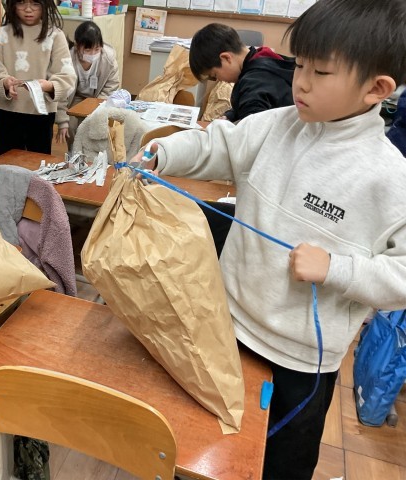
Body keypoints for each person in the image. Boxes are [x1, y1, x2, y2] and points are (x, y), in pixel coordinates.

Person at [140, 0, 406, 478]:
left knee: (281, 465)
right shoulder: (277, 125)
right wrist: (164, 152)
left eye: (320, 72)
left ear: (376, 89)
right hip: (227, 327)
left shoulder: (389, 177)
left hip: (300, 363)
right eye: (300, 65)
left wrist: (337, 269)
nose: (300, 81)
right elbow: (219, 144)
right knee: (207, 451)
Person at [0, 0, 76, 155]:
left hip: (42, 114)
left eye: (35, 3)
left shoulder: (55, 35)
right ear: (13, 5)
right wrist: (4, 83)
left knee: (38, 162)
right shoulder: (2, 35)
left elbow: (67, 77)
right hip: (8, 113)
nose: (28, 9)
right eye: (21, 3)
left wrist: (48, 86)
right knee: (7, 162)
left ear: (45, 4)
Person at [189, 23, 295, 122]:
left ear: (226, 58)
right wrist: (230, 116)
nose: (219, 80)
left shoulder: (253, 83)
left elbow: (251, 130)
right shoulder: (263, 58)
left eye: (215, 75)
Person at [55, 21, 120, 148]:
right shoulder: (67, 59)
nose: (93, 54)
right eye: (88, 50)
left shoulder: (109, 59)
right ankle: (74, 152)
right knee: (71, 125)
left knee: (95, 124)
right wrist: (62, 120)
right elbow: (61, 91)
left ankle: (93, 154)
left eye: (97, 49)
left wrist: (94, 106)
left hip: (99, 98)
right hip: (74, 97)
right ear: (77, 45)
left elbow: (111, 87)